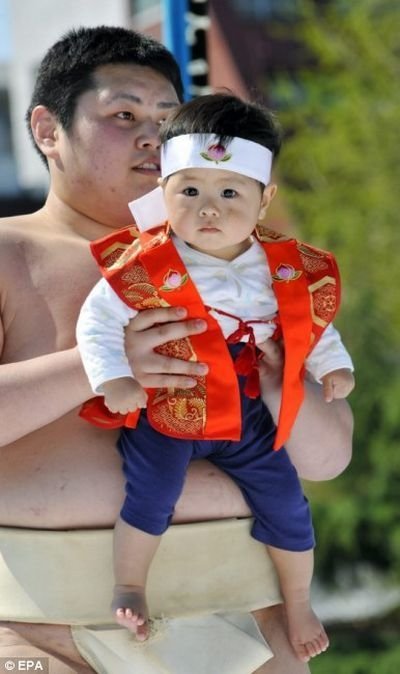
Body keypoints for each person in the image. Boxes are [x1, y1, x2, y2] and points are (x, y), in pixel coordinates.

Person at [0, 25, 354, 674]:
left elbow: (329, 461)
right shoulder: (8, 254)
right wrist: (99, 366)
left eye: (165, 121)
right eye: (122, 115)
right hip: (43, 626)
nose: (148, 137)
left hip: (250, 618)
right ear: (49, 130)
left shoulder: (254, 263)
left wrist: (287, 391)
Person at [76, 93, 354, 660]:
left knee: (287, 501)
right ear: (163, 194)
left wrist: (333, 365)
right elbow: (98, 322)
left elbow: (309, 323)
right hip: (168, 406)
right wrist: (114, 380)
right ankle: (130, 584)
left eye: (229, 193)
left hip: (248, 411)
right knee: (150, 495)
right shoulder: (145, 262)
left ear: (263, 198)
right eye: (190, 191)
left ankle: (298, 599)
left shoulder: (282, 264)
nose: (209, 209)